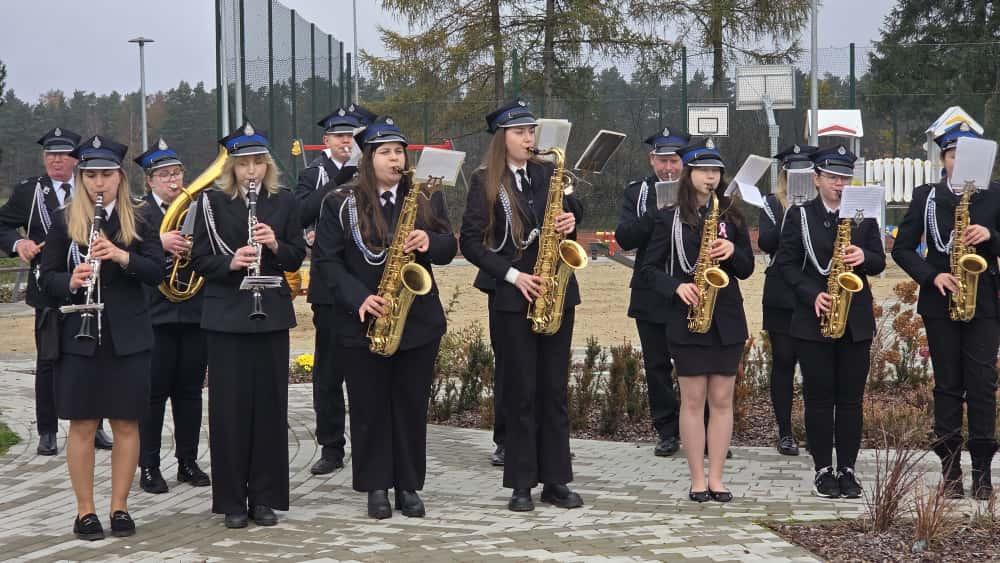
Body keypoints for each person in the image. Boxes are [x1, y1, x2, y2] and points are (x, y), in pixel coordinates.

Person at [313, 116, 456, 519]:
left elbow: (448, 245)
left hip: (417, 320)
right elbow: (326, 261)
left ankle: (408, 486)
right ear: (369, 158)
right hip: (362, 321)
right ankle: (376, 486)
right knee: (368, 405)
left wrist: (431, 240)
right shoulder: (340, 202)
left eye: (399, 152)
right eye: (386, 153)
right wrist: (359, 298)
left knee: (410, 405)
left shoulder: (425, 196)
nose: (395, 160)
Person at [460, 99, 585, 512]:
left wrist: (571, 218)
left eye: (531, 131)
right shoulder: (484, 182)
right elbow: (472, 244)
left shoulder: (549, 172)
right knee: (521, 392)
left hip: (556, 293)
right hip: (513, 298)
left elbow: (575, 206)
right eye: (520, 132)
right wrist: (514, 277)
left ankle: (555, 481)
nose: (529, 139)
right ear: (502, 138)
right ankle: (520, 484)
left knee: (553, 391)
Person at [39, 135, 165, 540]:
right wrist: (69, 281)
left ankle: (120, 507)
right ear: (81, 177)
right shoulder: (63, 220)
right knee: (83, 423)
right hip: (80, 334)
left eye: (106, 175)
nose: (98, 183)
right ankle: (85, 511)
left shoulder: (141, 218)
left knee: (127, 422)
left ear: (119, 177)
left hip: (128, 335)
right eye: (91, 174)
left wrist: (122, 255)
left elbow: (156, 273)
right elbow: (43, 282)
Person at [191, 122, 306, 528]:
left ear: (267, 166)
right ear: (232, 168)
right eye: (243, 164)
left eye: (258, 163)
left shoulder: (284, 202)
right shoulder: (211, 203)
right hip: (226, 317)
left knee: (269, 408)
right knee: (229, 410)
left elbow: (295, 257)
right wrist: (231, 263)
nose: (251, 171)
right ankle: (232, 501)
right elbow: (200, 260)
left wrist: (274, 244)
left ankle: (264, 496)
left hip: (271, 315)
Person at [639, 138, 753, 503]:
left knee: (721, 399)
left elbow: (747, 268)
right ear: (688, 174)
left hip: (727, 318)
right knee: (692, 399)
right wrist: (676, 288)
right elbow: (648, 270)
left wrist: (734, 250)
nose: (712, 178)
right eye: (705, 171)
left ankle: (717, 478)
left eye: (716, 171)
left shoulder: (731, 213)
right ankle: (697, 480)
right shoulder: (667, 215)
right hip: (687, 316)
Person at [891, 122, 1000, 500]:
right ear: (944, 160)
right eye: (954, 156)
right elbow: (902, 248)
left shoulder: (995, 196)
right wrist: (931, 275)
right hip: (941, 303)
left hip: (983, 302)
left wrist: (991, 236)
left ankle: (984, 472)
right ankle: (951, 471)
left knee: (984, 387)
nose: (961, 164)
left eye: (968, 158)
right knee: (948, 387)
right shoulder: (926, 196)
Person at [775, 144, 885, 499]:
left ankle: (848, 468)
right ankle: (823, 468)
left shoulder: (863, 213)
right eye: (833, 177)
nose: (840, 184)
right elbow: (787, 265)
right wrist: (812, 295)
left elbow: (879, 261)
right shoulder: (799, 216)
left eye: (845, 177)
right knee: (819, 398)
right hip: (813, 318)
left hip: (855, 320)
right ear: (817, 178)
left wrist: (863, 255)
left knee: (851, 399)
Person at [0, 127, 114, 455]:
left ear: (75, 159)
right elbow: (3, 224)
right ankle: (48, 431)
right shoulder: (30, 191)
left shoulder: (91, 186)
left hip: (91, 286)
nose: (56, 160)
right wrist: (18, 242)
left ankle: (95, 426)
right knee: (49, 360)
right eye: (50, 154)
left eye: (63, 154)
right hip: (48, 288)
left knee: (95, 356)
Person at [294, 104, 375, 476]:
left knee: (367, 370)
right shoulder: (314, 174)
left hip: (367, 284)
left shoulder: (371, 170)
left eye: (352, 135)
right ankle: (331, 446)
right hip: (328, 289)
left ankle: (369, 444)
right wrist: (339, 178)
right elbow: (301, 212)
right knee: (328, 372)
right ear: (326, 140)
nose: (347, 141)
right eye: (341, 136)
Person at [133, 139, 211, 494]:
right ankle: (149, 465)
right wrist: (159, 244)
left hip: (193, 310)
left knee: (190, 392)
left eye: (177, 173)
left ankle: (188, 461)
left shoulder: (199, 208)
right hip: (155, 314)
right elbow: (130, 259)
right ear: (150, 181)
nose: (173, 181)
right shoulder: (139, 214)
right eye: (164, 175)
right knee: (153, 394)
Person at [615, 127, 690, 458]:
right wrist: (654, 214)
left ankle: (700, 430)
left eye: (673, 160)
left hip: (689, 289)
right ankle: (667, 431)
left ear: (684, 161)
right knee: (657, 366)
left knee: (693, 365)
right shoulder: (638, 193)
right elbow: (625, 238)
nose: (668, 168)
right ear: (651, 160)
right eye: (662, 161)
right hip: (650, 291)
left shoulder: (697, 188)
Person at [758, 144, 817, 457]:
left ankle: (815, 429)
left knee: (814, 366)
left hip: (814, 292)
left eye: (806, 171)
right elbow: (765, 242)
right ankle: (785, 431)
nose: (800, 176)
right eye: (793, 171)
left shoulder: (822, 205)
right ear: (784, 174)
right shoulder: (772, 203)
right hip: (781, 293)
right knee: (783, 361)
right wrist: (791, 213)